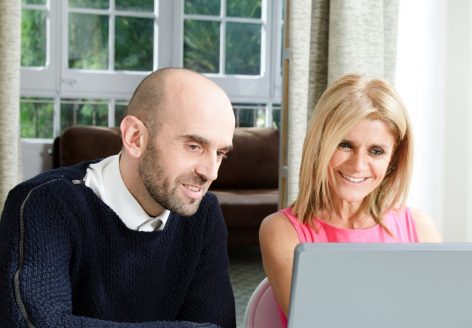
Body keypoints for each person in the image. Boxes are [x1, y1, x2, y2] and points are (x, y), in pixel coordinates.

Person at [0, 68, 237, 327]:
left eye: (220, 153)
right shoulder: (44, 204)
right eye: (194, 146)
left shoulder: (203, 213)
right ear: (135, 137)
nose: (210, 172)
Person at [259, 74, 442, 327]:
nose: (357, 166)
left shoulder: (421, 228)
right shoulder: (281, 231)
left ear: (393, 159)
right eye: (344, 145)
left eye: (376, 151)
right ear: (321, 144)